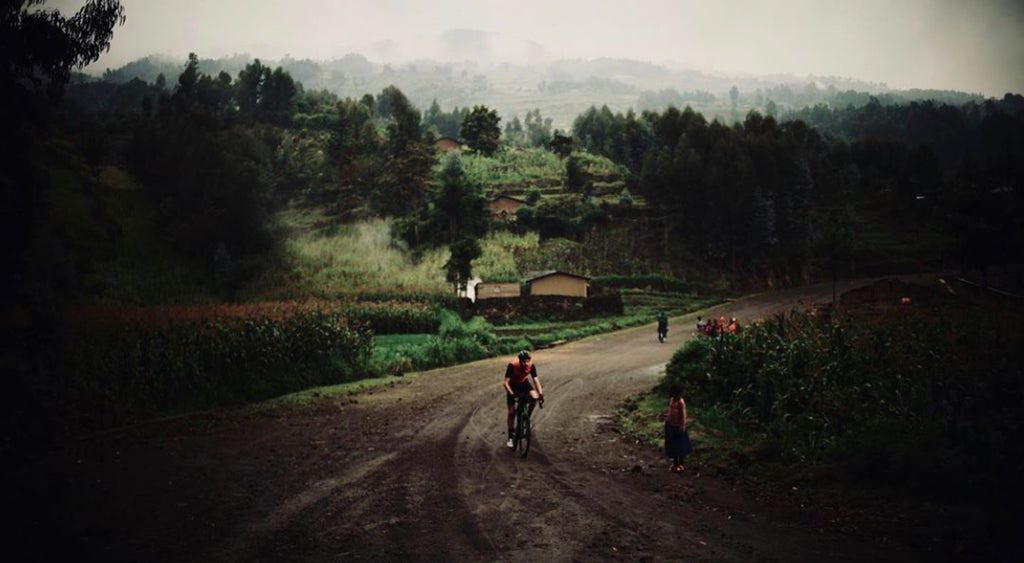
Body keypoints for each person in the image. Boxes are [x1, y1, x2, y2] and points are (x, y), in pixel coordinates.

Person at [504, 350, 544, 448]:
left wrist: (541, 393)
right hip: (512, 386)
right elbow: (505, 382)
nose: (526, 363)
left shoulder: (531, 365)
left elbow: (535, 379)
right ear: (520, 360)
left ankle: (527, 418)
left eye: (528, 360)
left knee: (534, 397)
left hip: (524, 384)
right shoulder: (512, 365)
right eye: (524, 361)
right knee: (511, 412)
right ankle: (510, 436)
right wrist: (512, 394)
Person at [664, 386, 692, 472]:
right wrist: (667, 417)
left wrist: (682, 425)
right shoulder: (672, 400)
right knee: (672, 445)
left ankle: (681, 464)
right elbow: (670, 410)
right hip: (670, 425)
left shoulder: (681, 402)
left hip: (678, 426)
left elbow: (683, 415)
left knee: (680, 446)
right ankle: (675, 463)